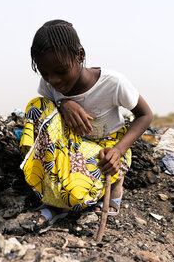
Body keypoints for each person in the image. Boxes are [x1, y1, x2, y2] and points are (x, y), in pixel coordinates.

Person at [20, 19, 153, 228]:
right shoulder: (50, 84)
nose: (53, 80)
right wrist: (63, 103)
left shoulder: (112, 83)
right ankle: (52, 198)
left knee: (75, 194)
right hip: (72, 146)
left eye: (61, 71)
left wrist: (118, 151)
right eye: (45, 74)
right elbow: (48, 112)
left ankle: (113, 185)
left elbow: (145, 115)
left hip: (106, 150)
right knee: (36, 106)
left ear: (80, 55)